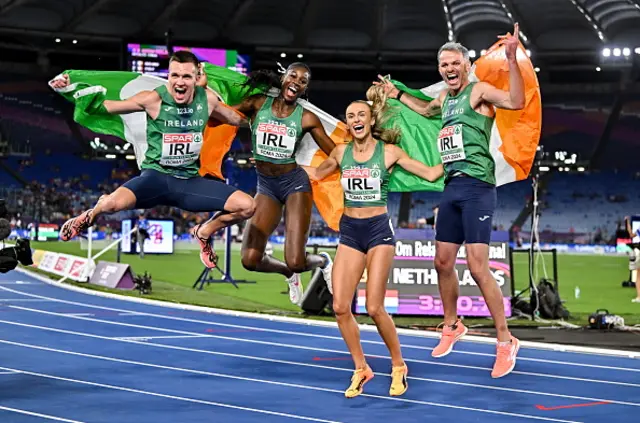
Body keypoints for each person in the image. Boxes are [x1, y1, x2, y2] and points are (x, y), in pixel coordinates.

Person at [374, 23, 525, 378]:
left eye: (455, 63)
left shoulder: (479, 92)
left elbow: (516, 102)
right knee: (442, 262)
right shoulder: (445, 99)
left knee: (476, 266)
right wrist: (396, 95)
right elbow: (424, 110)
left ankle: (505, 339)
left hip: (478, 187)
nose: (449, 69)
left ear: (467, 65)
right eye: (443, 65)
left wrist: (513, 60)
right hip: (452, 186)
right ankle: (452, 324)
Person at [50, 51, 256, 268]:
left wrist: (273, 115)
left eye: (186, 76)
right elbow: (106, 107)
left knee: (247, 206)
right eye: (174, 75)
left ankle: (203, 232)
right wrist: (73, 89)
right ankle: (90, 215)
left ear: (197, 77)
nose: (179, 82)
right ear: (168, 76)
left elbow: (237, 120)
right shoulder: (152, 99)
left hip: (189, 183)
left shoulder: (208, 100)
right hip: (155, 179)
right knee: (111, 205)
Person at [304, 96, 443, 398]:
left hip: (378, 231)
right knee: (340, 306)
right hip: (350, 231)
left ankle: (398, 365)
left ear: (370, 121)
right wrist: (277, 165)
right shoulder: (340, 153)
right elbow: (315, 174)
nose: (355, 119)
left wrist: (460, 158)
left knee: (374, 307)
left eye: (360, 114)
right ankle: (361, 368)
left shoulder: (389, 152)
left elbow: (431, 174)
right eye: (350, 114)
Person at [232, 63, 336, 306]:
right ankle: (288, 275)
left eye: (303, 80)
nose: (297, 81)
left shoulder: (307, 117)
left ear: (305, 88)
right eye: (293, 75)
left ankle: (322, 261)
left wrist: (319, 171)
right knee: (249, 260)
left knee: (297, 261)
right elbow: (223, 114)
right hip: (266, 186)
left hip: (294, 186)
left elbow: (336, 153)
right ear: (283, 77)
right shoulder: (257, 104)